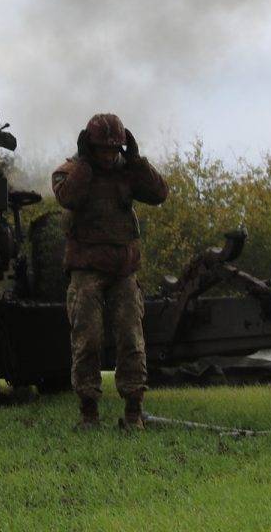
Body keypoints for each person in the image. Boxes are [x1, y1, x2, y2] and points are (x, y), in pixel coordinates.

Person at [51, 112, 168, 431]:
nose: (108, 155)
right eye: (102, 149)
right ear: (89, 147)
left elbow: (159, 194)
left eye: (114, 149)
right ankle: (89, 412)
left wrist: (136, 160)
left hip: (123, 270)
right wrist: (86, 166)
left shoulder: (127, 172)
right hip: (86, 271)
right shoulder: (71, 171)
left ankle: (133, 411)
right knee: (86, 340)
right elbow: (67, 198)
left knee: (132, 339)